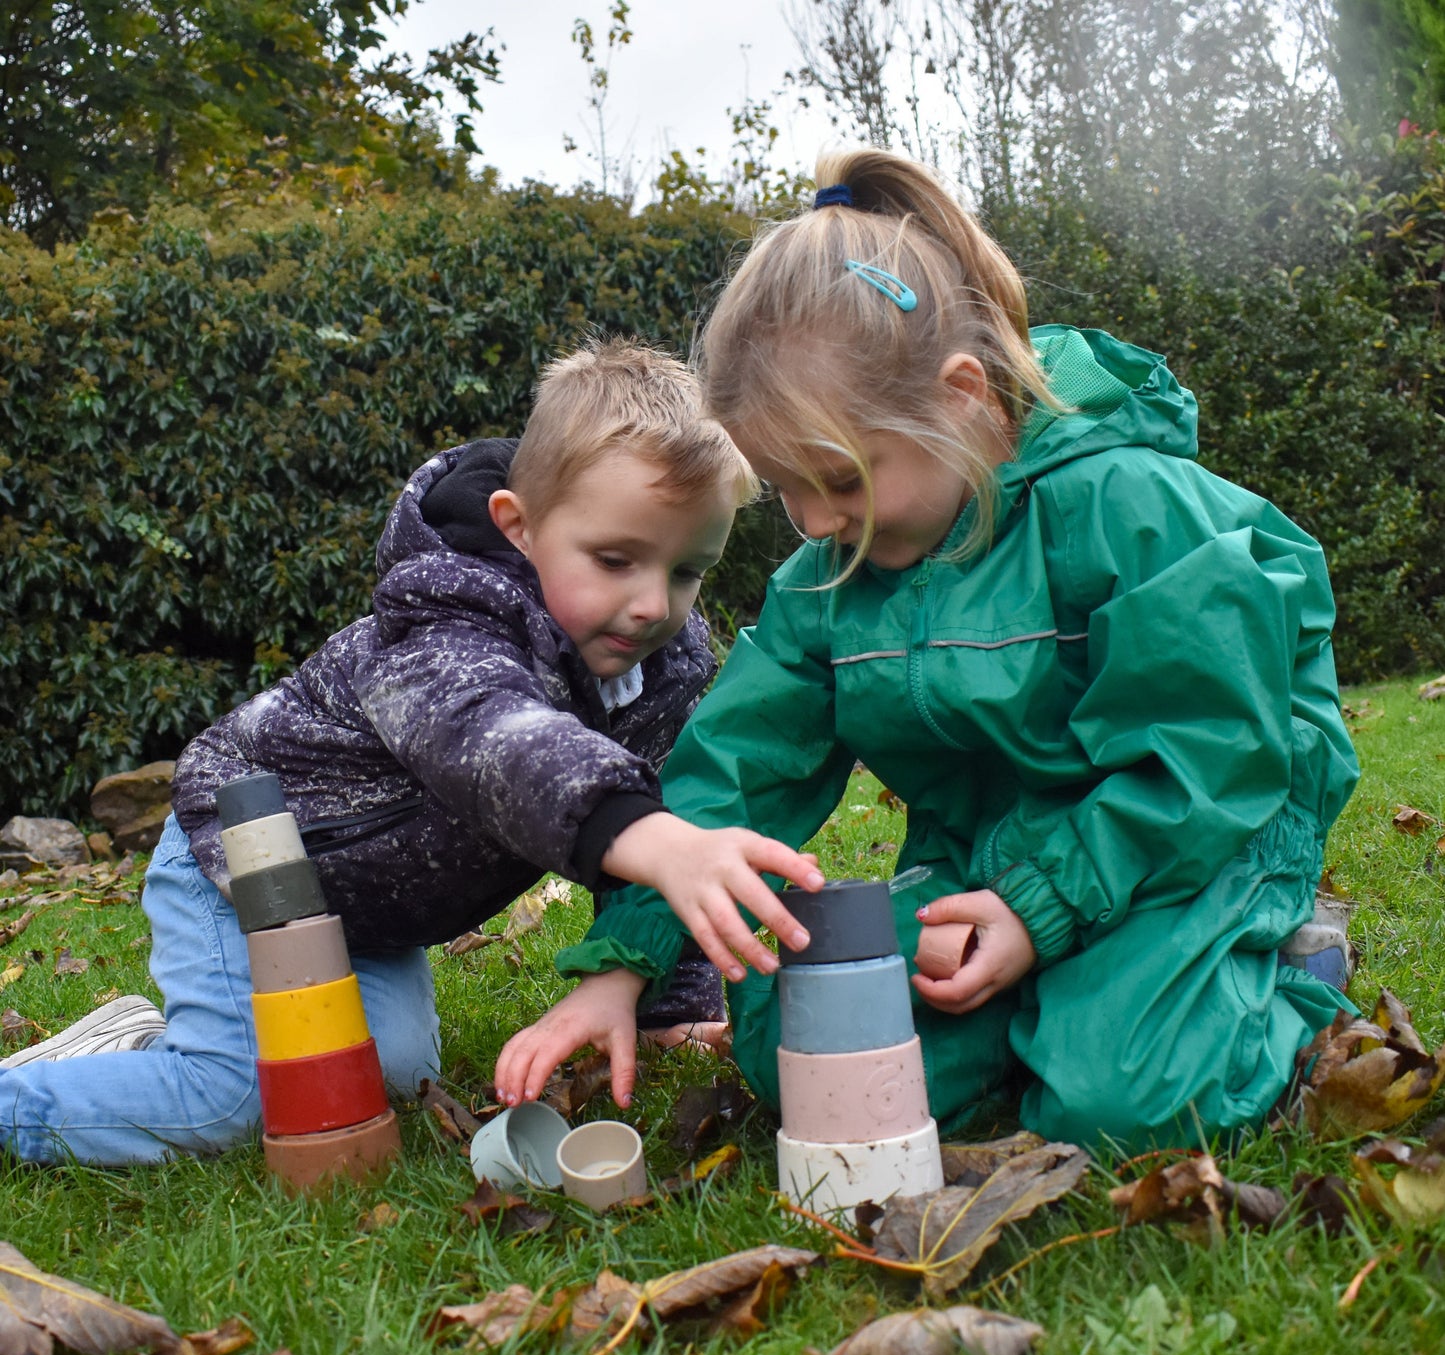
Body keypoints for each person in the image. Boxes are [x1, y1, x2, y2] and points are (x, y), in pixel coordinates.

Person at [495, 151, 1361, 1152]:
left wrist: (1033, 909)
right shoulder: (830, 577)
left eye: (838, 480)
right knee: (812, 1056)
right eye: (784, 486)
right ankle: (1049, 1008)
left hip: (1188, 839)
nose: (814, 520)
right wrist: (622, 965)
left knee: (1120, 1105)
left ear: (958, 395)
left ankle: (1285, 975)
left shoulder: (1131, 508)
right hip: (985, 860)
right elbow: (731, 773)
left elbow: (1212, 748)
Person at [0, 337, 822, 1165]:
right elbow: (494, 739)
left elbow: (665, 823)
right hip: (244, 855)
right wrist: (643, 832)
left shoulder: (663, 668)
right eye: (615, 559)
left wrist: (665, 1004)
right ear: (519, 526)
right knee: (240, 1095)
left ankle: (128, 1046)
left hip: (368, 905)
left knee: (381, 1078)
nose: (652, 603)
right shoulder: (442, 621)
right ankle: (21, 1106)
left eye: (688, 571)